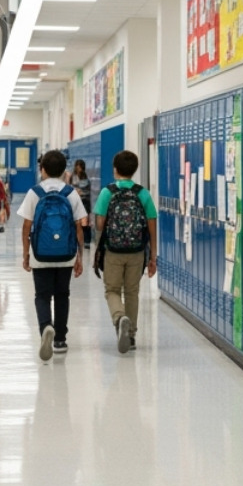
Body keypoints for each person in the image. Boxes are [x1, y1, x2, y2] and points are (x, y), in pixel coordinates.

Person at [18, 149, 86, 362]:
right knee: (62, 295)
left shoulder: (34, 193)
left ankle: (46, 327)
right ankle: (60, 339)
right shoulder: (71, 193)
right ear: (64, 170)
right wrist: (79, 257)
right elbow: (79, 228)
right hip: (65, 254)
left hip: (40, 254)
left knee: (42, 295)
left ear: (43, 169)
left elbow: (26, 226)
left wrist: (26, 254)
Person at [93, 149, 158, 354]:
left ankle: (120, 317)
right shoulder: (142, 193)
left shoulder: (107, 192)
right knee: (132, 292)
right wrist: (153, 256)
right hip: (137, 251)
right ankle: (130, 336)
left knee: (112, 290)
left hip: (113, 250)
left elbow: (100, 224)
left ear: (115, 170)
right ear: (134, 170)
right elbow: (152, 225)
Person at [70, 159, 93, 249]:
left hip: (85, 203)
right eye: (77, 166)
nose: (78, 169)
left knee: (85, 222)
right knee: (76, 222)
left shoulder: (86, 177)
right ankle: (76, 240)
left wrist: (81, 192)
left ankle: (87, 241)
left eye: (80, 167)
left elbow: (88, 190)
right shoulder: (72, 177)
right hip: (75, 202)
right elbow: (70, 188)